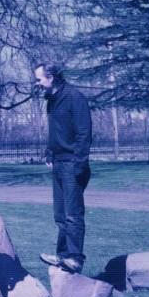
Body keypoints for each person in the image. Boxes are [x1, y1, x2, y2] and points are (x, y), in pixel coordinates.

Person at [34, 62, 92, 273]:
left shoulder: (74, 97)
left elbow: (84, 132)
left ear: (51, 77)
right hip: (58, 163)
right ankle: (62, 256)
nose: (37, 83)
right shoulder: (51, 100)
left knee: (73, 214)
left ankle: (75, 258)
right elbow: (55, 131)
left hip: (72, 164)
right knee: (60, 215)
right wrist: (50, 152)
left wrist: (79, 163)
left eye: (39, 79)